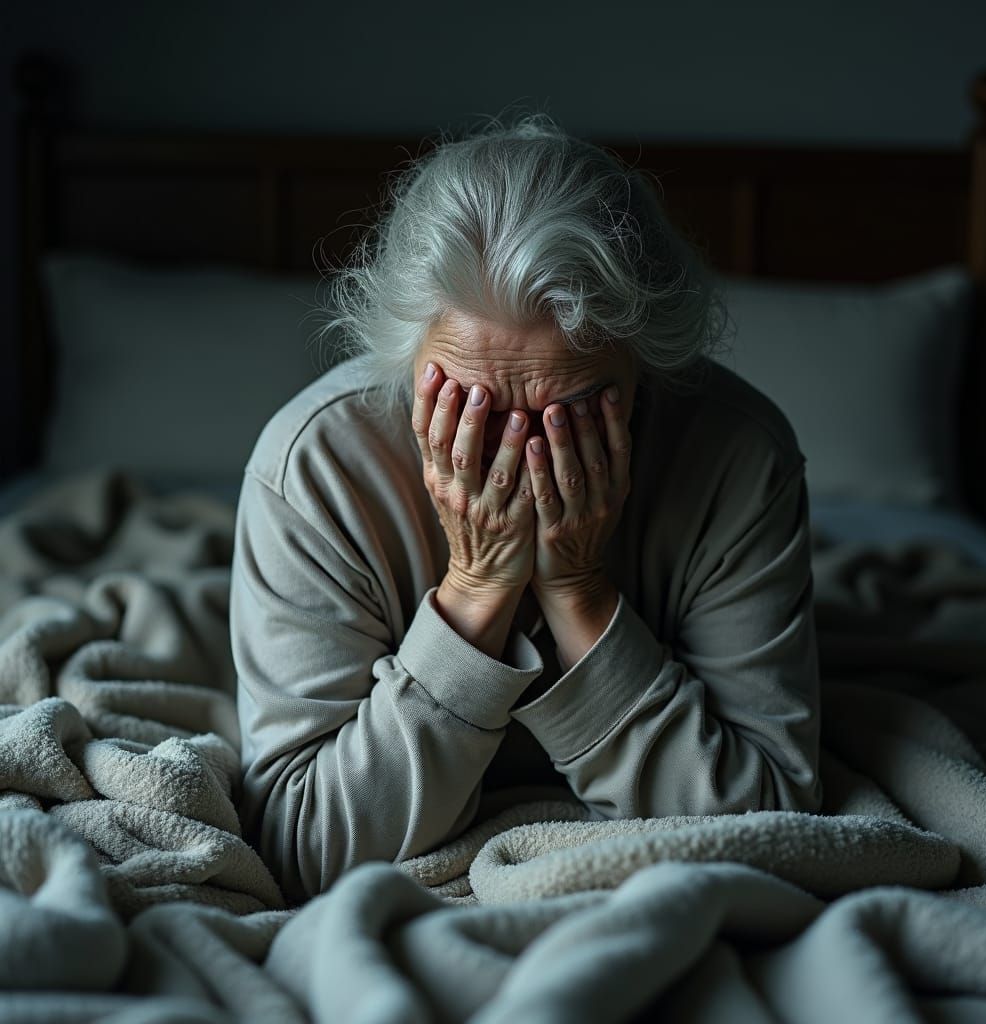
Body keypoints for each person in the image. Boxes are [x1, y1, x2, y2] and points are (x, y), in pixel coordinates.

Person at [229, 113, 823, 907]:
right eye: (469, 406)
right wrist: (475, 589)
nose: (516, 459)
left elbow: (772, 824)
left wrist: (577, 589)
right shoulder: (315, 466)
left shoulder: (740, 455)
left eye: (569, 410)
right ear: (407, 354)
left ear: (641, 361)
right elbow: (306, 847)